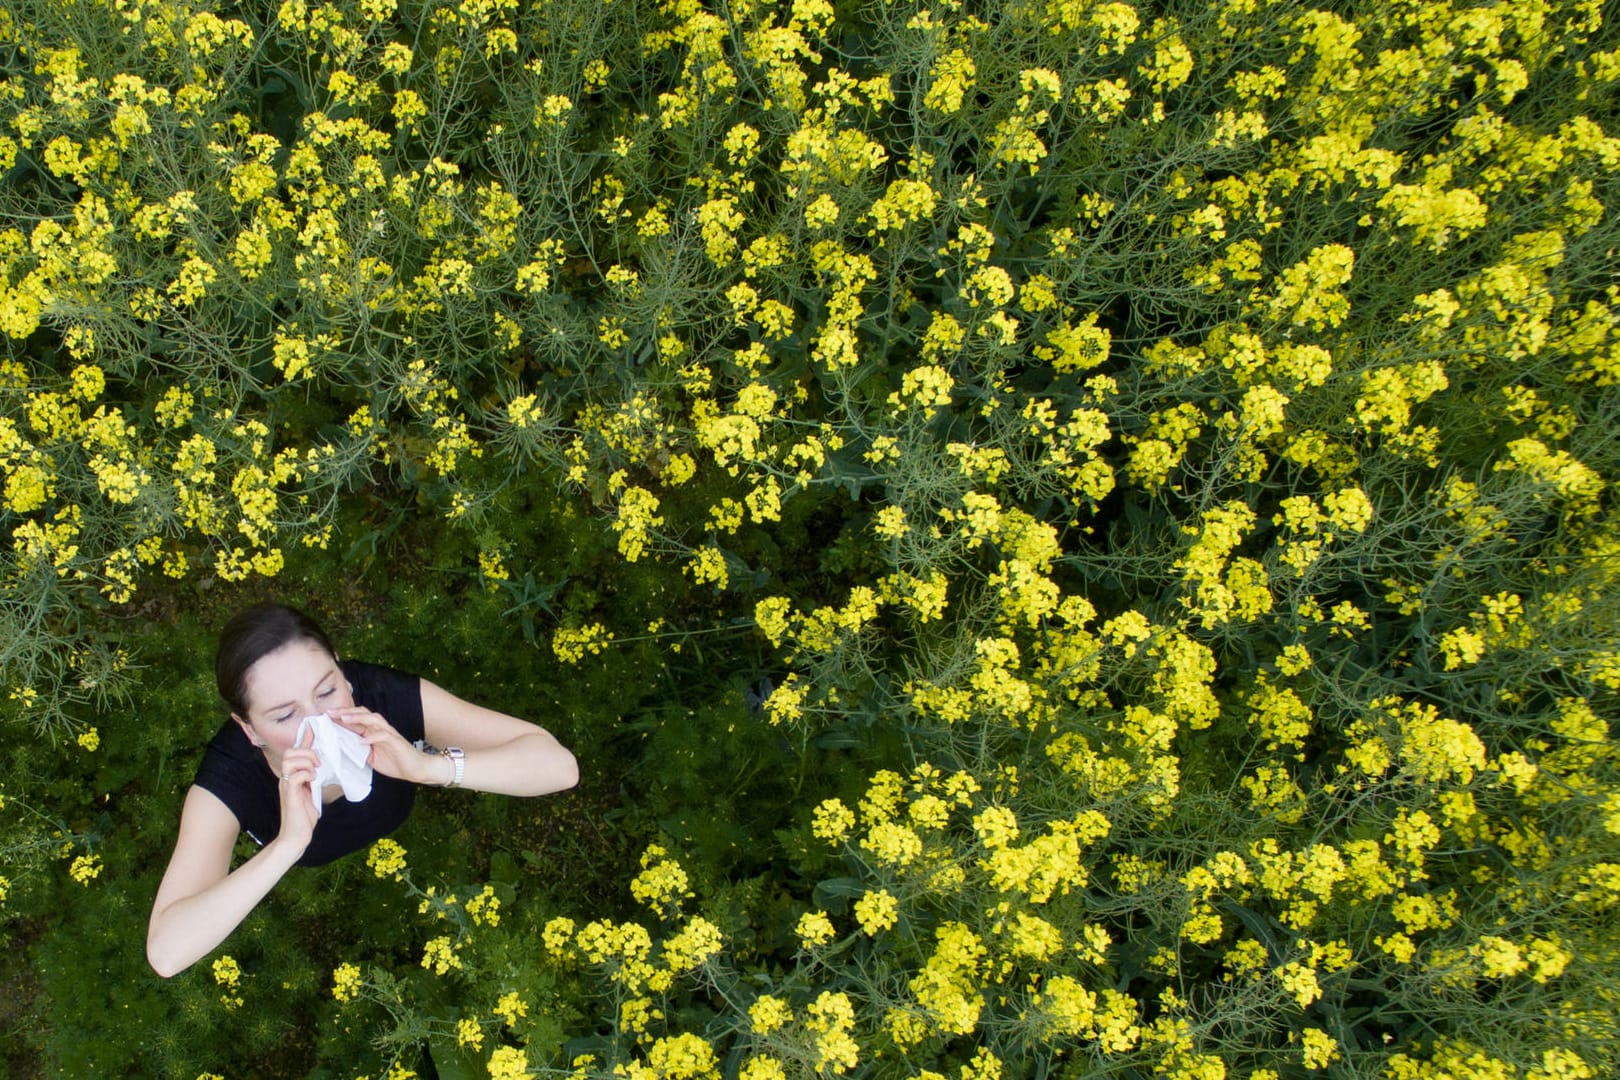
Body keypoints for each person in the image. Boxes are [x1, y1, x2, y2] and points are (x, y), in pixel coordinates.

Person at [146, 602, 579, 977]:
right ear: (249, 729)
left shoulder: (381, 698)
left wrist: (431, 767)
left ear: (341, 669)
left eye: (327, 690)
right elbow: (167, 952)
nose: (321, 722)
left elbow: (558, 767)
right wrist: (287, 845)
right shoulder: (230, 777)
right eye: (283, 716)